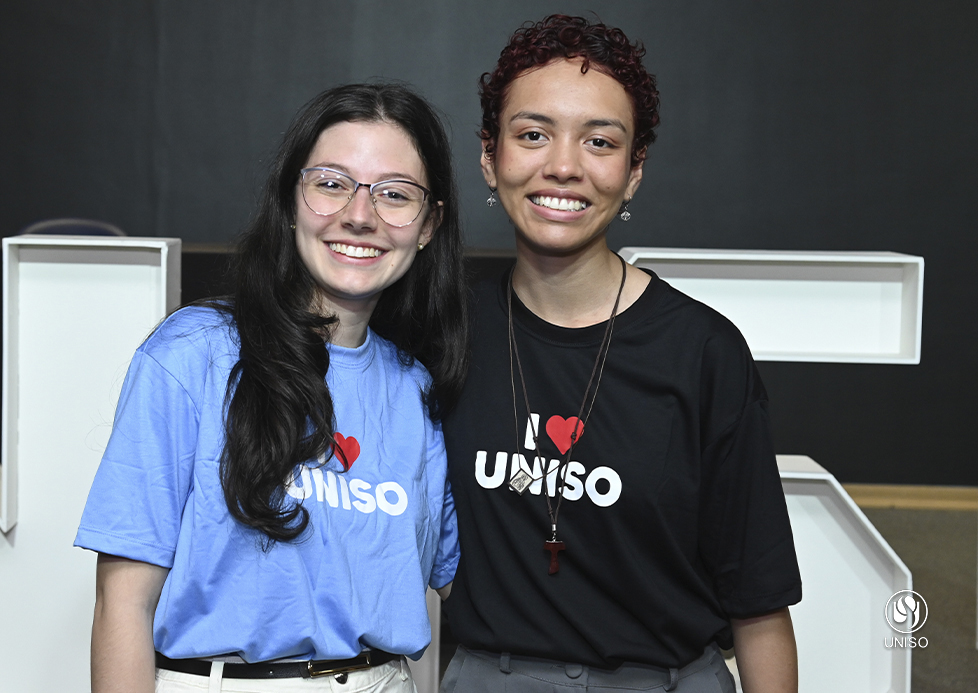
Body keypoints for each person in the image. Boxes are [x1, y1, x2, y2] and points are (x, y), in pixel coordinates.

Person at [440, 15, 802, 693]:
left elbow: (757, 598)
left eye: (599, 141)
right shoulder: (447, 333)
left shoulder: (703, 351)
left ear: (634, 172)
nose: (564, 166)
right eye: (533, 134)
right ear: (490, 156)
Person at [74, 82, 468, 693]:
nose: (359, 215)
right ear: (290, 200)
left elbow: (464, 585)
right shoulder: (194, 352)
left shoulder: (416, 387)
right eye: (332, 184)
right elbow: (122, 605)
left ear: (428, 225)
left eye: (395, 194)